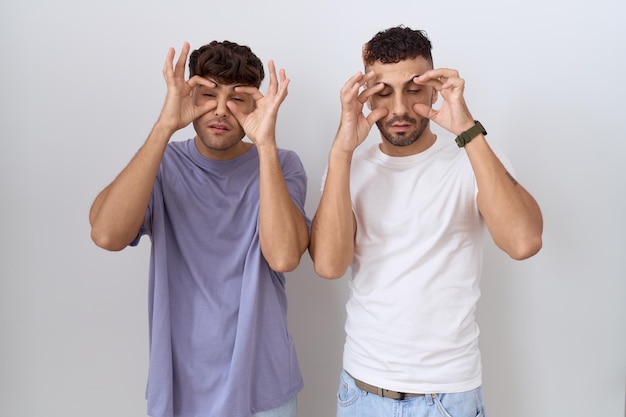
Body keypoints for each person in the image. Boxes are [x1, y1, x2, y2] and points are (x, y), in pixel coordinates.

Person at [309, 26, 543, 417]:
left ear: (435, 89)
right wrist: (341, 151)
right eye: (383, 92)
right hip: (361, 393)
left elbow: (523, 242)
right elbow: (330, 266)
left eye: (414, 89)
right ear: (365, 96)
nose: (399, 109)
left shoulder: (473, 157)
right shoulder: (348, 167)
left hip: (448, 396)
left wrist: (468, 129)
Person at [89, 40, 310, 417]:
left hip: (264, 388)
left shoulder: (281, 164)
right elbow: (107, 235)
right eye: (207, 94)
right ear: (189, 95)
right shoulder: (163, 164)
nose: (221, 110)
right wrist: (164, 126)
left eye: (237, 99)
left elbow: (285, 256)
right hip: (178, 387)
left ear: (255, 105)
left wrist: (266, 144)